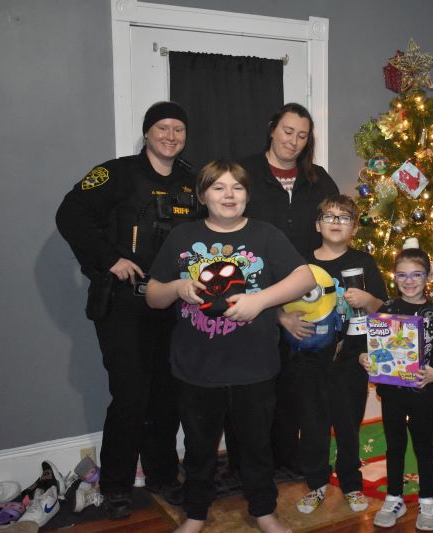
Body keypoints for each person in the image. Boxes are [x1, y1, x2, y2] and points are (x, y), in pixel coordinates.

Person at [145, 160, 315, 533]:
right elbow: (154, 296)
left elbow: (304, 278)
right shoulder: (182, 236)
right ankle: (195, 514)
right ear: (202, 195)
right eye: (218, 187)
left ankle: (264, 512)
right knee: (199, 449)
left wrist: (260, 300)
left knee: (257, 448)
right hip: (195, 369)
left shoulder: (266, 235)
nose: (228, 195)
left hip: (254, 368)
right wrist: (177, 287)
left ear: (247, 196)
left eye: (237, 187)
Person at [56, 101, 200, 519]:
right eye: (162, 128)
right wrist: (108, 259)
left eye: (178, 129)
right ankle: (116, 486)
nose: (170, 136)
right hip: (124, 305)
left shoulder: (192, 181)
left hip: (173, 306)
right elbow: (70, 214)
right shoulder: (117, 174)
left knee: (167, 396)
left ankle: (163, 477)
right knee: (131, 396)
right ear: (147, 133)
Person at [239, 102, 340, 474]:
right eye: (287, 131)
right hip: (255, 303)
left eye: (302, 135)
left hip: (306, 303)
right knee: (255, 393)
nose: (293, 141)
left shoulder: (318, 179)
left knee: (295, 389)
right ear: (272, 128)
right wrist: (277, 313)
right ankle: (248, 467)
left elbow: (334, 236)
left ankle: (287, 457)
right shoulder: (244, 173)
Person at [278, 194, 387, 515]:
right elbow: (278, 300)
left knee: (348, 425)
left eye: (344, 218)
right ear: (318, 225)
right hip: (309, 359)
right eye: (329, 216)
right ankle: (316, 484)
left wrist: (368, 300)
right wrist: (285, 319)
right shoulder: (301, 264)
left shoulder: (365, 262)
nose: (336, 222)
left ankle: (351, 483)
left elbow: (382, 307)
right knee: (312, 424)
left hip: (350, 360)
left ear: (354, 228)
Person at [358, 243, 433, 531]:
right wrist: (366, 358)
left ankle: (427, 499)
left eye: (416, 274)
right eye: (402, 275)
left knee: (423, 445)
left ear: (428, 277)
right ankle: (394, 497)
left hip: (423, 393)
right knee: (395, 445)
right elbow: (374, 346)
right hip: (392, 393)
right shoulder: (387, 309)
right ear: (394, 277)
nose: (409, 281)